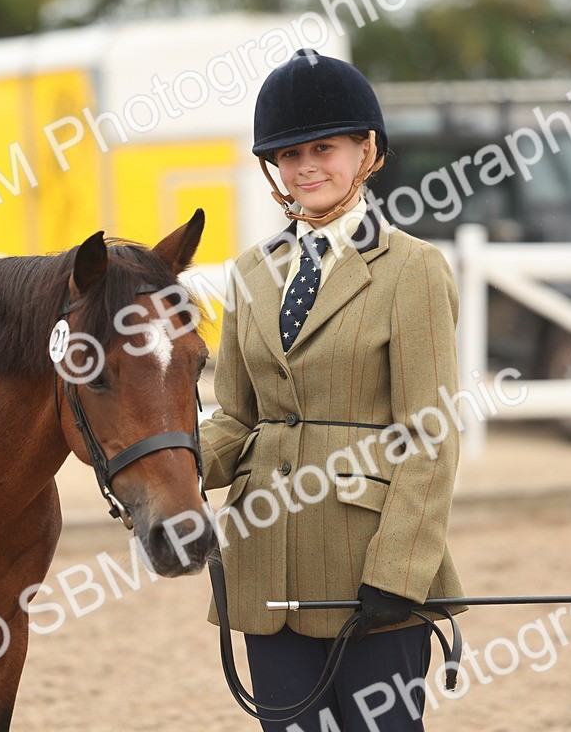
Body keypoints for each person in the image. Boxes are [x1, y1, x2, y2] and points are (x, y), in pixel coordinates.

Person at [199, 49, 465, 732]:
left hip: (366, 565)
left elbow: (430, 434)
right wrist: (171, 466)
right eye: (289, 155)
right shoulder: (250, 272)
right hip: (264, 561)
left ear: (366, 151)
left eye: (323, 148)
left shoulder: (412, 269)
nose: (305, 168)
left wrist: (398, 570)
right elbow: (235, 415)